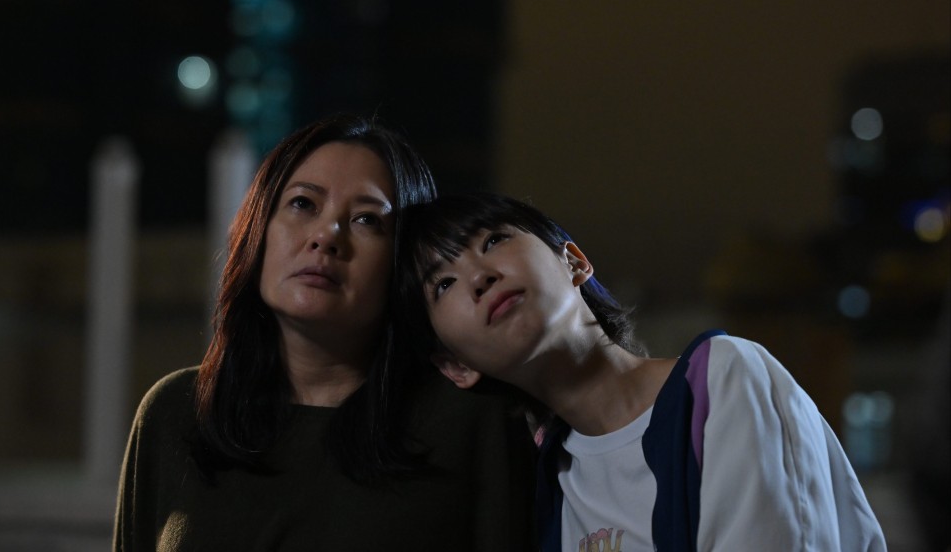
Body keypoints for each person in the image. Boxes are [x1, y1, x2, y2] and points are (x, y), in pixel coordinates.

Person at [113, 116, 536, 551]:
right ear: (258, 229)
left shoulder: (470, 421)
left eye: (367, 220)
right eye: (302, 204)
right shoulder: (177, 413)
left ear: (404, 262)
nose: (325, 236)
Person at [397, 191, 887, 552]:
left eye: (494, 240)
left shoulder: (722, 381)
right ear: (456, 366)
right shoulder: (550, 481)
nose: (479, 277)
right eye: (442, 284)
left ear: (574, 262)